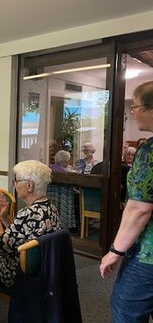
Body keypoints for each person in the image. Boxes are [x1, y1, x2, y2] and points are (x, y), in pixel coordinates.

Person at [100, 81, 153, 322]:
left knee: (125, 310)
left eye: (136, 106)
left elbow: (139, 209)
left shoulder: (149, 152)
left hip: (148, 256)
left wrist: (115, 251)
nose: (133, 111)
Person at [0, 160, 61, 289]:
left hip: (19, 274)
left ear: (29, 186)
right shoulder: (51, 208)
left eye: (15, 181)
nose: (14, 184)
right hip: (45, 272)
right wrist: (4, 217)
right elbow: (20, 233)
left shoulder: (27, 214)